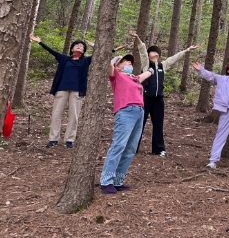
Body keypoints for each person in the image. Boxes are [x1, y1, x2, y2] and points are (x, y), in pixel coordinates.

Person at [130, 31, 198, 157]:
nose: (154, 52)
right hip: (145, 98)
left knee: (158, 124)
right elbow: (142, 50)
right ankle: (133, 148)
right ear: (149, 55)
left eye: (156, 51)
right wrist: (137, 37)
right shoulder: (146, 64)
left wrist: (187, 50)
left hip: (158, 100)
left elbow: (174, 58)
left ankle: (159, 149)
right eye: (152, 51)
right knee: (140, 123)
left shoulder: (163, 65)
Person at [29, 34, 95, 148]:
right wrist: (39, 42)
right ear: (72, 49)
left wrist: (94, 45)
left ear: (84, 51)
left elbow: (103, 53)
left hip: (77, 91)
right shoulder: (64, 59)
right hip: (61, 89)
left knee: (74, 116)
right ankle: (53, 139)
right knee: (56, 114)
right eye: (77, 45)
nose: (79, 46)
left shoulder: (86, 61)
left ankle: (69, 140)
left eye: (82, 46)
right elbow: (52, 51)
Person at [100, 54, 152, 194]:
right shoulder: (116, 75)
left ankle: (117, 180)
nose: (129, 63)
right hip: (125, 111)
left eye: (131, 62)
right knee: (119, 145)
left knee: (130, 148)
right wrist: (114, 59)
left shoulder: (135, 78)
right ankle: (106, 181)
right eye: (126, 61)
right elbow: (109, 66)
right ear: (118, 66)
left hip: (139, 112)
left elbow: (148, 73)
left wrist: (154, 68)